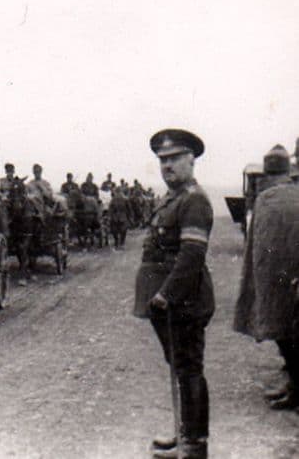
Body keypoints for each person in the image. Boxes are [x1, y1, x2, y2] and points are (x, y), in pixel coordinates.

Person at [134, 129, 213, 458]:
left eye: (174, 159)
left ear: (191, 160)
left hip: (184, 300)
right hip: (168, 301)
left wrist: (167, 294)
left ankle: (193, 444)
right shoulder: (173, 198)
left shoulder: (193, 200)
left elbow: (191, 256)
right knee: (180, 366)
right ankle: (184, 433)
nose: (167, 165)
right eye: (162, 160)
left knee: (189, 368)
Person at [234, 144, 299, 410]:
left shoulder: (264, 199)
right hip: (294, 281)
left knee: (283, 336)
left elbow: (254, 246)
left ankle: (295, 389)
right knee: (293, 336)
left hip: (273, 284)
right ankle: (294, 387)